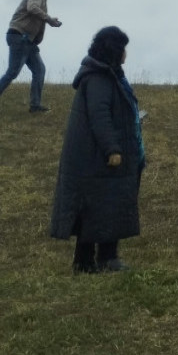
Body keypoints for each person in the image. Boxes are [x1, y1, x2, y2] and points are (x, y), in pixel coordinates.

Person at [49, 27, 145, 274]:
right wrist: (112, 148)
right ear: (114, 50)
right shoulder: (99, 79)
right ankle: (102, 259)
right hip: (98, 158)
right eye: (123, 48)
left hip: (96, 157)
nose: (126, 53)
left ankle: (89, 262)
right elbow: (100, 116)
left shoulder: (106, 75)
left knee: (99, 208)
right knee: (100, 208)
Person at [0, 0, 63, 118]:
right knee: (12, 72)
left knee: (39, 70)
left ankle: (35, 106)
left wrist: (48, 21)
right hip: (20, 37)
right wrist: (49, 20)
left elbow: (35, 12)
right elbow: (32, 8)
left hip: (26, 40)